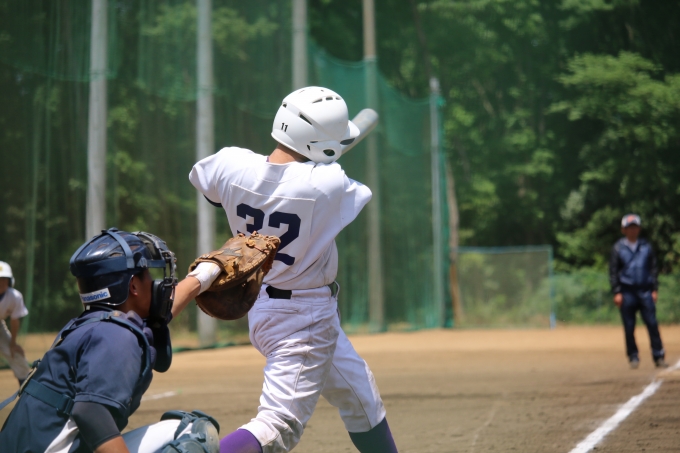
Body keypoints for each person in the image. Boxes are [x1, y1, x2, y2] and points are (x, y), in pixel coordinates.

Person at [176, 86, 398, 453]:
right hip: (302, 317)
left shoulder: (231, 164)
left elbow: (211, 191)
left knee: (361, 395)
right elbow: (342, 188)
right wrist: (326, 158)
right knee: (279, 425)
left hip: (264, 303)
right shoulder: (328, 183)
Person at [0, 228, 220, 453]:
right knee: (191, 432)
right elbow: (91, 412)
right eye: (147, 275)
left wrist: (207, 273)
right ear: (133, 286)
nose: (155, 283)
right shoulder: (117, 335)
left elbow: (159, 315)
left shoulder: (93, 326)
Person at [609, 214, 668, 369]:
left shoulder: (646, 246)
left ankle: (658, 355)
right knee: (629, 327)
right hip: (627, 292)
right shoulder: (618, 248)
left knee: (652, 323)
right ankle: (633, 356)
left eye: (635, 227)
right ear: (623, 230)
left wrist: (654, 289)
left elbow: (653, 269)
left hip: (645, 291)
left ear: (639, 229)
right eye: (629, 227)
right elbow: (613, 272)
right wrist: (617, 291)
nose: (632, 230)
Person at [0, 261, 31, 386]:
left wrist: (13, 343)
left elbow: (14, 320)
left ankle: (26, 389)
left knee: (16, 355)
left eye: (4, 279)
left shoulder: (14, 296)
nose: (1, 282)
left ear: (10, 281)